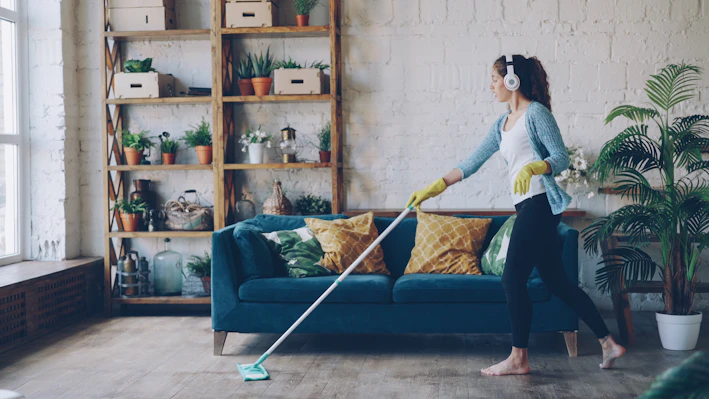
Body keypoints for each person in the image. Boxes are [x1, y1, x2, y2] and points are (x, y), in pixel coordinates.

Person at [405, 54, 626, 376]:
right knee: (557, 281)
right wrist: (435, 186)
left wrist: (537, 166)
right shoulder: (502, 123)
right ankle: (608, 342)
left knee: (512, 279)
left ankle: (519, 358)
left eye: (495, 79)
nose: (491, 86)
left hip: (539, 202)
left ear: (512, 81)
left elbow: (560, 157)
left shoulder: (536, 114)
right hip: (527, 205)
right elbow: (472, 162)